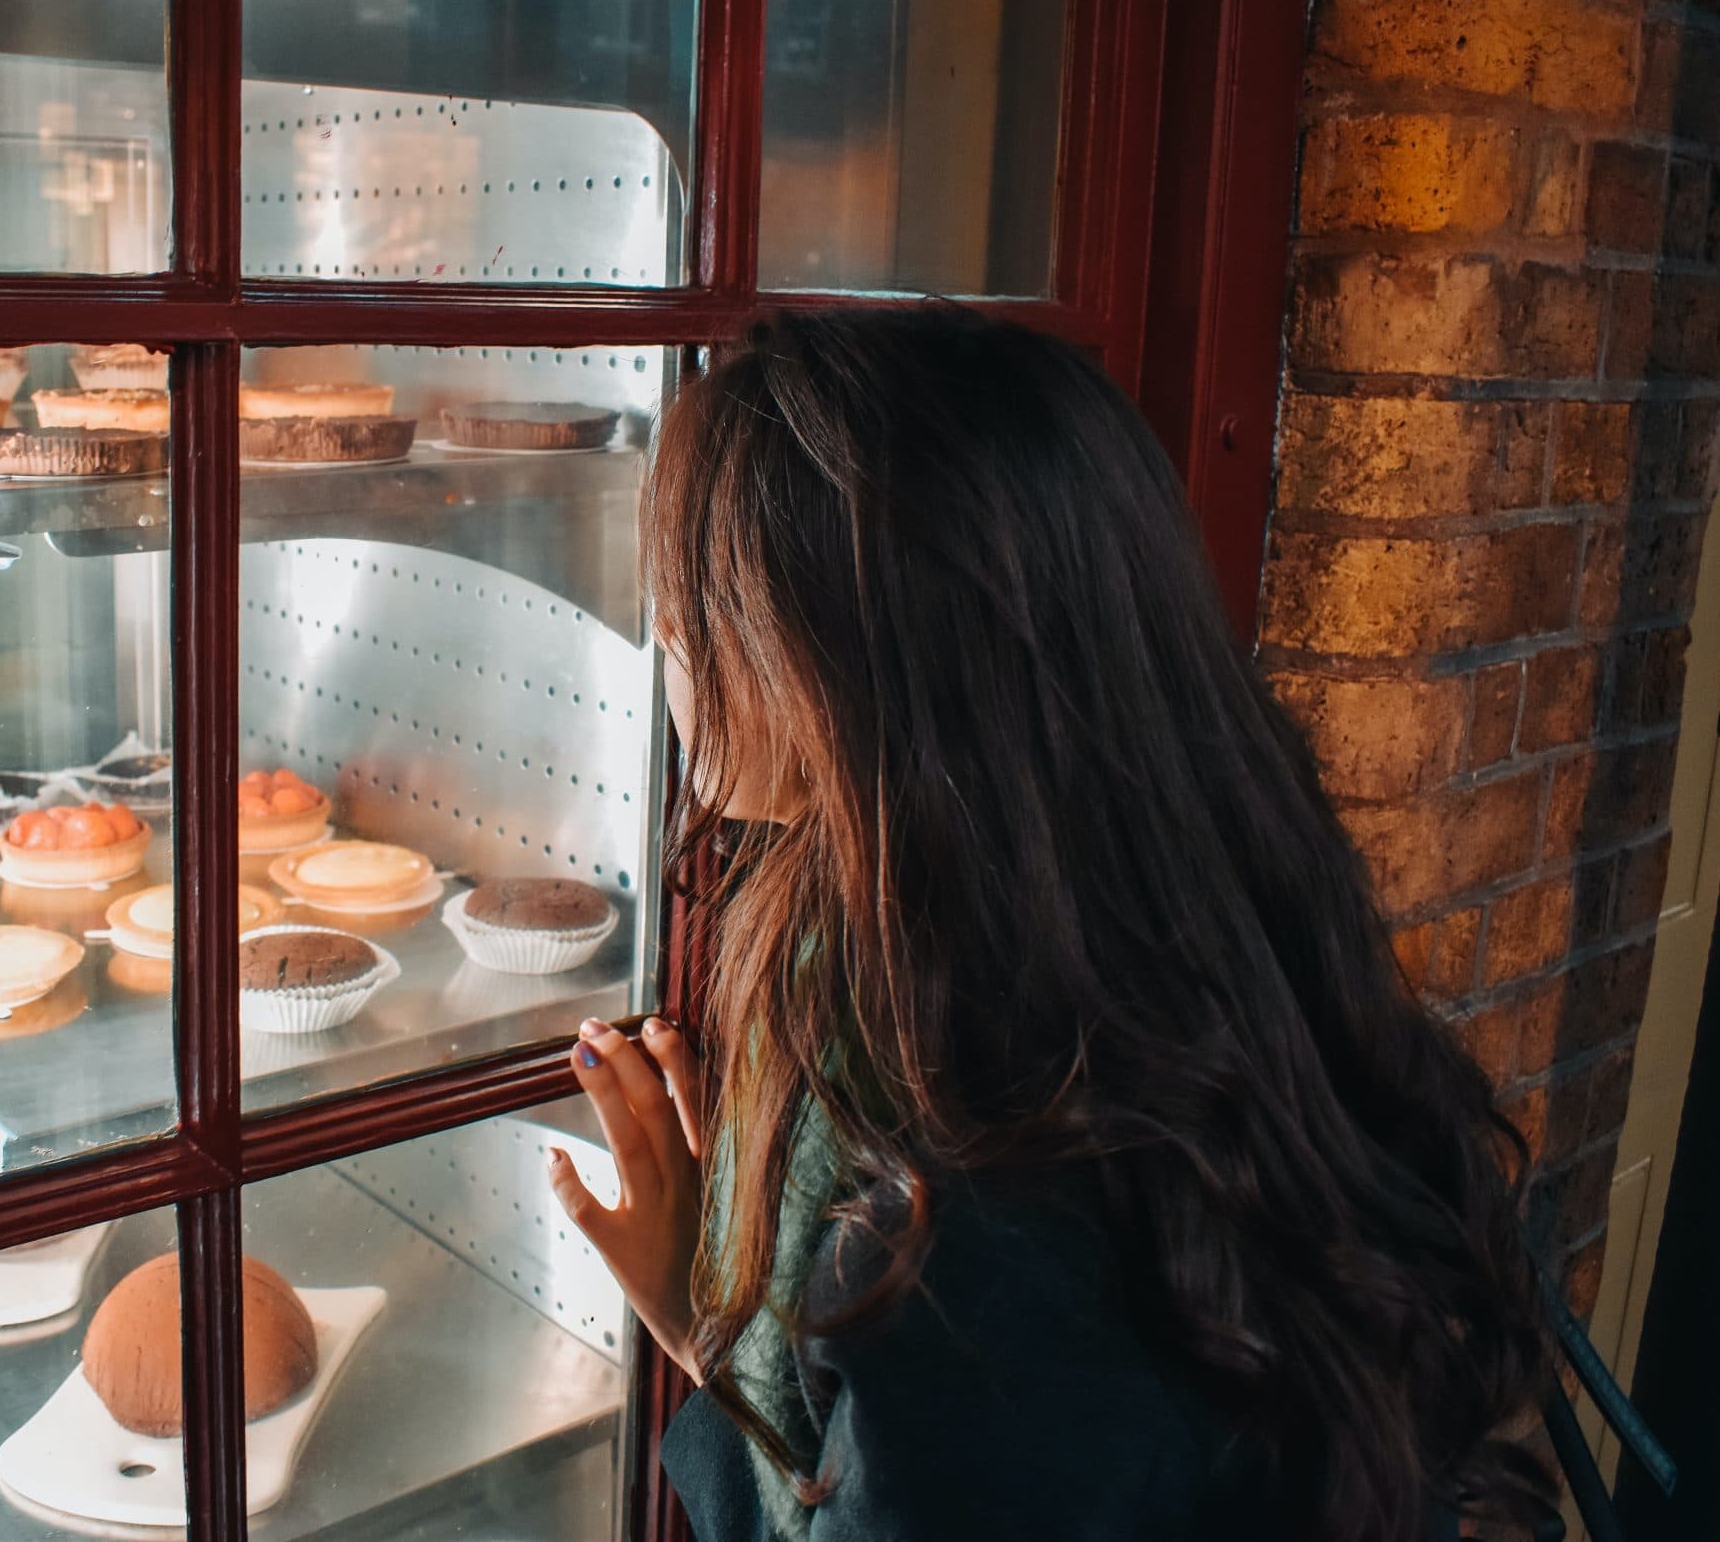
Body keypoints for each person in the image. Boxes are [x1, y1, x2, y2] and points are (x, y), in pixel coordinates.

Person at [548, 308, 1558, 1541]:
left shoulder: (974, 1254)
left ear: (851, 664)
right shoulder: (1193, 967)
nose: (666, 645)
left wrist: (710, 1334)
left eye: (690, 601)